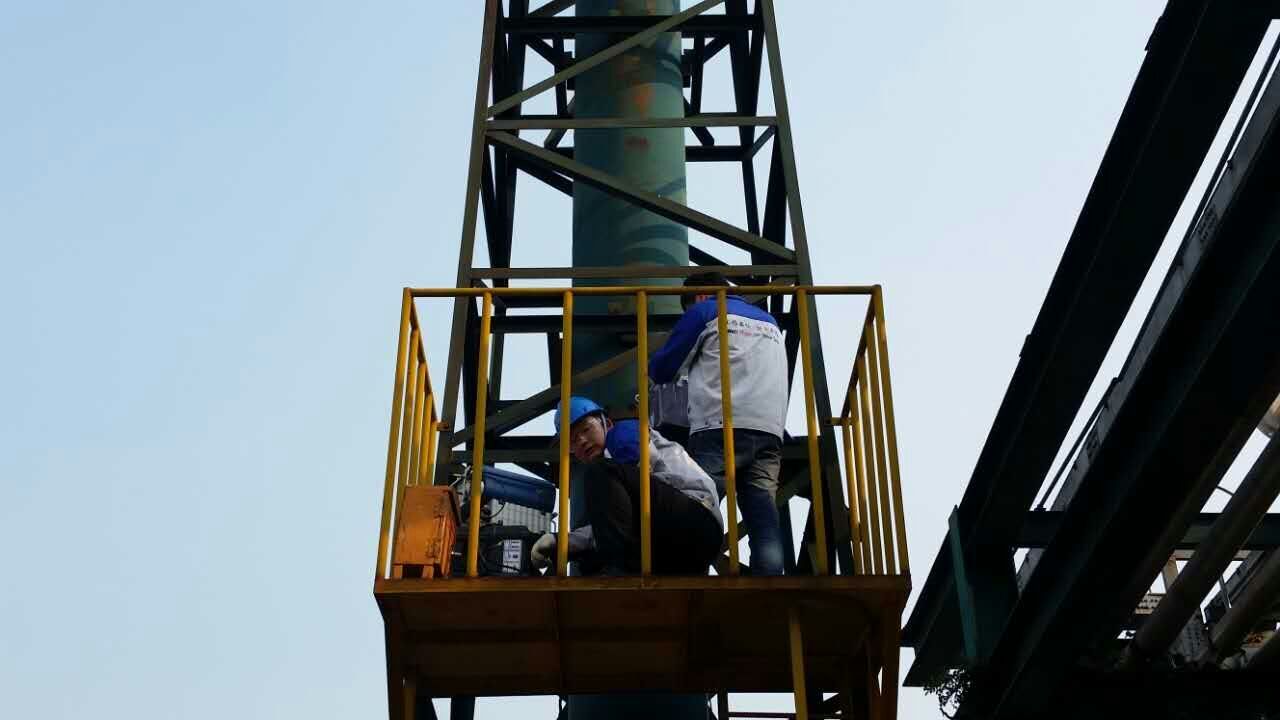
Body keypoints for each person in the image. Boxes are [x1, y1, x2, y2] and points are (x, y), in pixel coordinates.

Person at [649, 272, 788, 575]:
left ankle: (687, 575)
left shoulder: (705, 311)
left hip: (720, 426)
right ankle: (770, 581)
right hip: (769, 429)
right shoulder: (769, 322)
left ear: (699, 296)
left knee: (697, 505)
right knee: (762, 509)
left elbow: (663, 369)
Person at [530, 396, 723, 575]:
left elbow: (623, 519)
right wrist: (559, 541)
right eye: (572, 441)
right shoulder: (612, 477)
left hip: (696, 519)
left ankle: (616, 573)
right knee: (591, 555)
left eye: (586, 430)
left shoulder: (624, 433)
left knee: (600, 473)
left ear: (607, 424)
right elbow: (615, 524)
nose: (581, 441)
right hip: (680, 547)